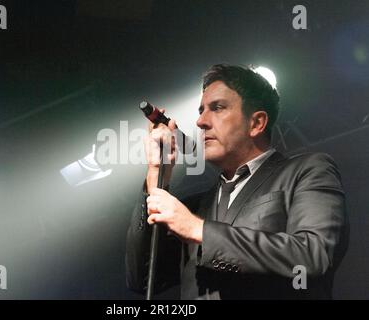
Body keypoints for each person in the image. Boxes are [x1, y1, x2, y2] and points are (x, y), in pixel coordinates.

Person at [125, 64, 349, 299]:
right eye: (201, 111)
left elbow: (314, 256)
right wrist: (155, 172)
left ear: (257, 123)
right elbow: (142, 279)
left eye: (217, 108)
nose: (201, 121)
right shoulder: (197, 206)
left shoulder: (308, 170)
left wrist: (198, 229)